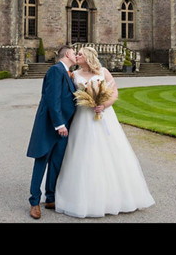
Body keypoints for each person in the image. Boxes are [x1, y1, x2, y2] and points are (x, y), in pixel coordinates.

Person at [54, 46, 155, 218]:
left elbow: (114, 93)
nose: (76, 56)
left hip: (105, 117)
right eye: (76, 54)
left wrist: (103, 105)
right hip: (83, 118)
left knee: (112, 152)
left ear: (88, 57)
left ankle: (116, 196)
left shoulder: (103, 71)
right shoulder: (74, 75)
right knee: (83, 153)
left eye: (79, 54)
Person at [26, 45, 78, 219]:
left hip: (63, 127)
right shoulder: (56, 70)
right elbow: (52, 99)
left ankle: (50, 197)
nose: (77, 55)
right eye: (75, 52)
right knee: (41, 161)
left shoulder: (67, 73)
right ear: (68, 54)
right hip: (51, 126)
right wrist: (59, 124)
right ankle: (34, 201)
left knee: (56, 163)